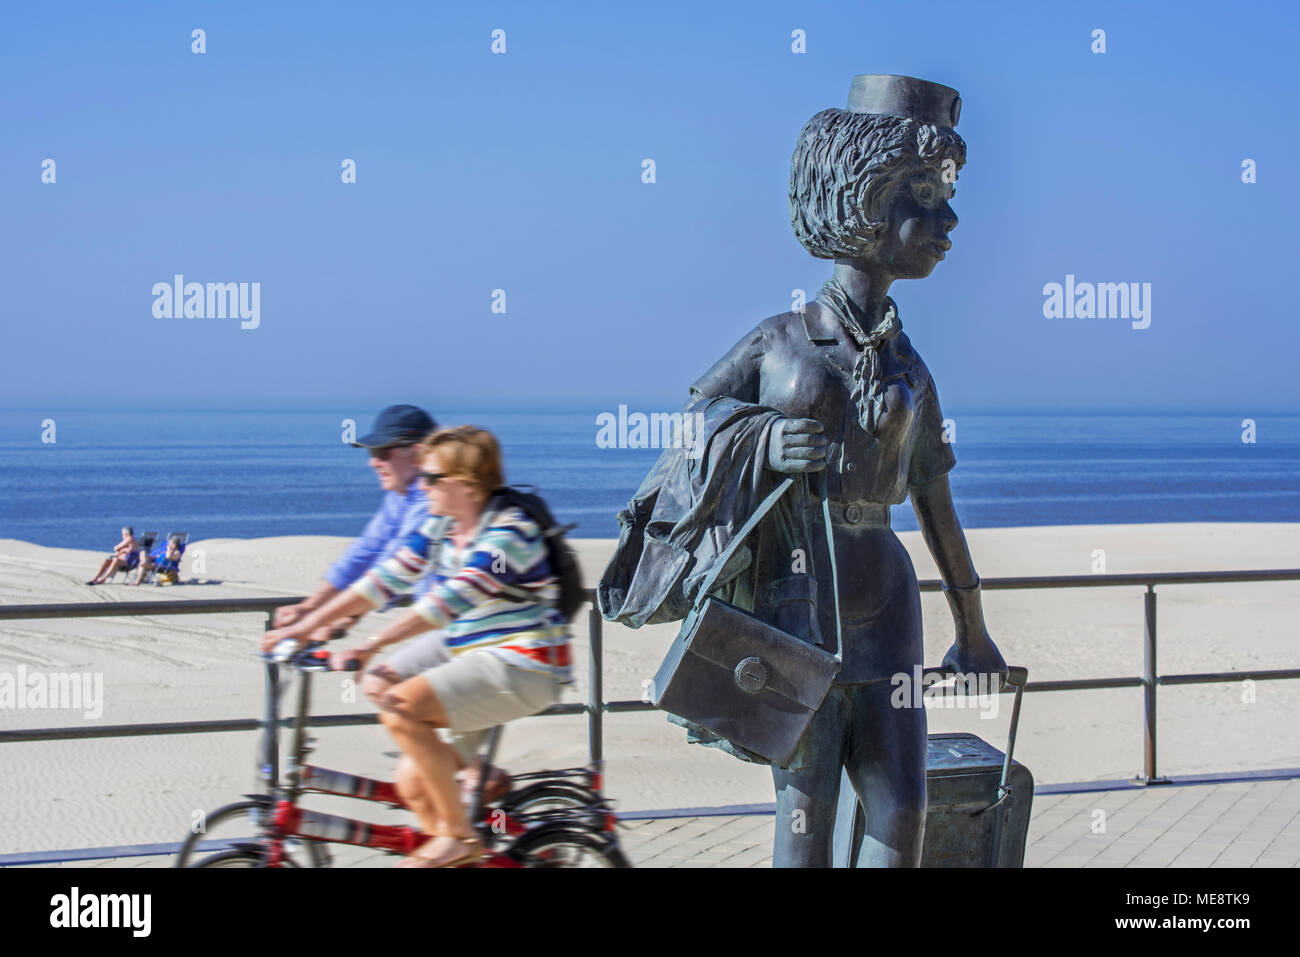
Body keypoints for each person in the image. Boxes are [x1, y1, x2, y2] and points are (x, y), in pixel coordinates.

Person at [600, 75, 1006, 867]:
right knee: (807, 806)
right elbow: (687, 429)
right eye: (925, 194)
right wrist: (759, 442)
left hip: (886, 597)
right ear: (865, 199)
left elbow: (935, 502)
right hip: (795, 595)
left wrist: (973, 630)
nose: (948, 218)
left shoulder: (911, 369)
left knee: (903, 804)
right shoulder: (779, 341)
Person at [264, 426, 570, 867]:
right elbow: (385, 578)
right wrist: (306, 626)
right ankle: (463, 838)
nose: (420, 486)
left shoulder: (510, 534)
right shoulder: (442, 523)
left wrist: (372, 642)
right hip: (472, 654)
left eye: (431, 478)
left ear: (464, 485)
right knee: (413, 783)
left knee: (402, 707)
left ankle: (460, 837)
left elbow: (444, 605)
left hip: (524, 664)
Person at [273, 404, 438, 642]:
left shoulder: (432, 499)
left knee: (381, 675)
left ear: (416, 453)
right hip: (442, 628)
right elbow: (366, 551)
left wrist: (335, 618)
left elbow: (393, 569)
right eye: (372, 454)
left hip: (469, 634)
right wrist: (309, 607)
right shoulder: (402, 495)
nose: (373, 463)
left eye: (382, 453)